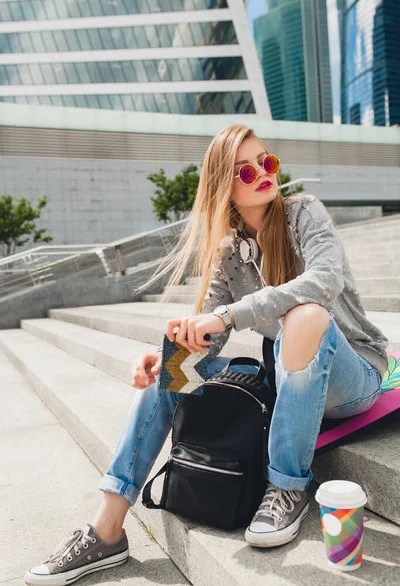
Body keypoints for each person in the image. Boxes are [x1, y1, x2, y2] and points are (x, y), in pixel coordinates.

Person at [25, 124, 388, 585]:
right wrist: (169, 357)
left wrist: (229, 315)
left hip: (351, 375)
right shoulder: (228, 251)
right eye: (244, 170)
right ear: (223, 187)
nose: (261, 173)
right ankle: (107, 528)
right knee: (174, 368)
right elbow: (207, 343)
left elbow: (323, 281)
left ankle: (287, 488)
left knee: (307, 315)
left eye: (266, 162)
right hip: (290, 379)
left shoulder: (304, 212)